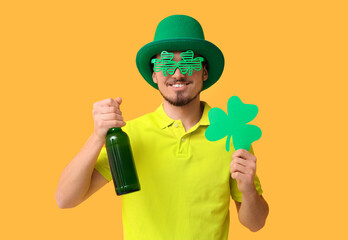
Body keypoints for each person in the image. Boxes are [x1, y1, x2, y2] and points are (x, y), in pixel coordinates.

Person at [55, 15, 269, 239]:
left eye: (189, 62)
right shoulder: (129, 135)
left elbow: (255, 224)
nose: (178, 73)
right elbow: (65, 199)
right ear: (155, 74)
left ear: (204, 72)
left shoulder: (230, 135)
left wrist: (248, 190)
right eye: (166, 64)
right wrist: (98, 135)